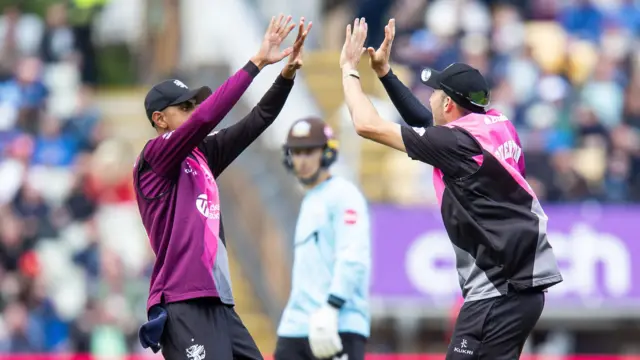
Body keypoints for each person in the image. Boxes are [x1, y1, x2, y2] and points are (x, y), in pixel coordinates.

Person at [340, 18, 563, 359]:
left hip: (497, 294)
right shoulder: (498, 124)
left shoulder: (458, 143)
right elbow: (430, 130)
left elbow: (366, 124)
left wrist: (349, 69)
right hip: (520, 291)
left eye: (435, 95)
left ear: (448, 105)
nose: (429, 100)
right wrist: (385, 73)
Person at [134, 15, 312, 360]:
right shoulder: (154, 157)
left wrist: (287, 75)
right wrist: (256, 61)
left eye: (194, 103)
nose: (194, 110)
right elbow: (206, 119)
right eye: (184, 106)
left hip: (218, 300)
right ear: (160, 120)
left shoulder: (200, 155)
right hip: (184, 300)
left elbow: (258, 120)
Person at [274, 117, 371, 360]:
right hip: (296, 325)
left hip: (338, 323)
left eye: (309, 152)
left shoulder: (344, 194)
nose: (302, 160)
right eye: (296, 152)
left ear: (326, 153)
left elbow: (353, 255)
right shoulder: (310, 199)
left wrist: (331, 308)